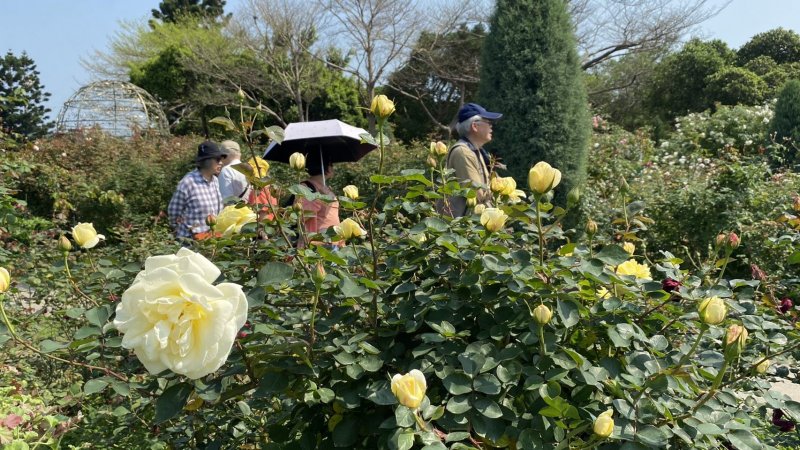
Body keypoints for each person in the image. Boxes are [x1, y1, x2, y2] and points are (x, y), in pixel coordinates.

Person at [439, 102, 503, 217]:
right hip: (462, 228)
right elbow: (477, 194)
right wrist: (503, 190)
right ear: (474, 126)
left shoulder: (475, 150)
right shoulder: (463, 152)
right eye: (488, 122)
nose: (491, 126)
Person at [167, 140, 227, 240]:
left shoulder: (215, 181)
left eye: (221, 159)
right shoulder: (188, 182)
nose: (221, 163)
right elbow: (173, 212)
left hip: (210, 240)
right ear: (206, 161)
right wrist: (184, 233)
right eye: (217, 159)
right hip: (191, 243)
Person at [295, 155, 341, 248]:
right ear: (326, 167)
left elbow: (333, 216)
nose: (333, 168)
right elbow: (301, 216)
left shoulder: (326, 188)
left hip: (333, 242)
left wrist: (340, 241)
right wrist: (319, 198)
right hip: (317, 243)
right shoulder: (305, 187)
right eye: (331, 165)